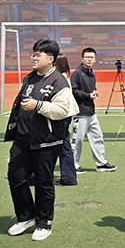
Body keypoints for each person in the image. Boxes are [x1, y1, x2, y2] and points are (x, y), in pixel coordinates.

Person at [4, 39, 73, 241]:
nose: (33, 58)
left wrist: (38, 105)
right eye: (33, 54)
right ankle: (26, 217)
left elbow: (63, 110)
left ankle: (44, 223)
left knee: (44, 183)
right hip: (22, 139)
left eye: (38, 54)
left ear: (50, 58)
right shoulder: (29, 77)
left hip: (47, 141)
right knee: (16, 177)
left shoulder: (60, 81)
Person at [70, 47, 116, 174]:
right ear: (82, 59)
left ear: (95, 59)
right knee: (77, 140)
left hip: (91, 112)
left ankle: (101, 163)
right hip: (80, 113)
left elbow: (91, 90)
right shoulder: (77, 74)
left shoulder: (92, 74)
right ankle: (73, 165)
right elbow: (73, 91)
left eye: (91, 57)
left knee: (97, 137)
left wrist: (94, 92)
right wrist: (88, 95)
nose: (89, 60)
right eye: (87, 57)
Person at [54, 53, 80, 186]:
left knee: (62, 146)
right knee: (64, 145)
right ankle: (69, 177)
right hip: (66, 114)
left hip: (61, 115)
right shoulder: (65, 77)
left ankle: (68, 177)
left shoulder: (59, 78)